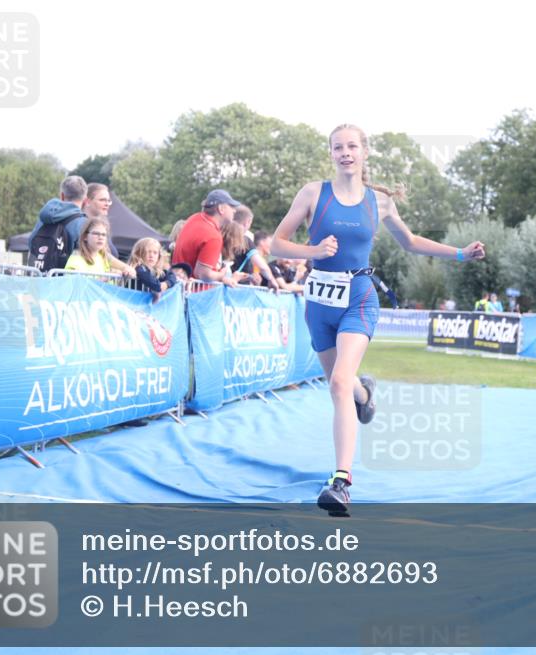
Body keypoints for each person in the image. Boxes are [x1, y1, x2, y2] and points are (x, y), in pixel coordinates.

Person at [271, 123, 486, 516]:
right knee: (342, 381)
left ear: (364, 152)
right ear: (331, 153)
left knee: (338, 382)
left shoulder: (379, 203)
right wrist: (313, 249)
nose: (345, 153)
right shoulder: (312, 193)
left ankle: (341, 482)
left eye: (352, 146)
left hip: (359, 297)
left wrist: (459, 254)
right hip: (319, 302)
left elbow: (411, 241)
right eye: (338, 147)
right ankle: (366, 395)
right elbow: (275, 244)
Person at [171, 189, 242, 284]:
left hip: (180, 289)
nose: (234, 210)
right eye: (231, 206)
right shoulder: (213, 236)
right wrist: (221, 275)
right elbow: (203, 274)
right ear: (221, 208)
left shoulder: (194, 218)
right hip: (197, 294)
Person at [26, 175, 89, 270]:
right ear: (85, 200)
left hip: (38, 276)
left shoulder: (43, 218)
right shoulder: (83, 223)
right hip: (65, 280)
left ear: (62, 196)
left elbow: (31, 243)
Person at [64, 216, 136, 278]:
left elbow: (128, 269)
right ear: (85, 236)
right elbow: (72, 286)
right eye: (96, 233)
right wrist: (105, 278)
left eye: (104, 235)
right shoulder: (76, 258)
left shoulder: (103, 256)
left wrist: (125, 272)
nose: (100, 237)